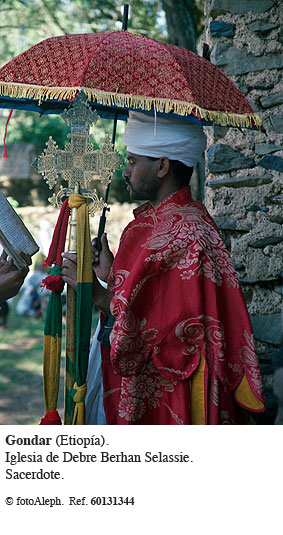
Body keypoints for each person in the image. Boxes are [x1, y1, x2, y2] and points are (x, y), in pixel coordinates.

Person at [62, 111, 265, 425]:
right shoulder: (167, 222)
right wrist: (112, 274)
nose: (125, 171)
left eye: (132, 160)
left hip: (175, 392)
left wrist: (98, 296)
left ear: (162, 165)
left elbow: (168, 332)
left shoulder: (183, 230)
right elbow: (155, 297)